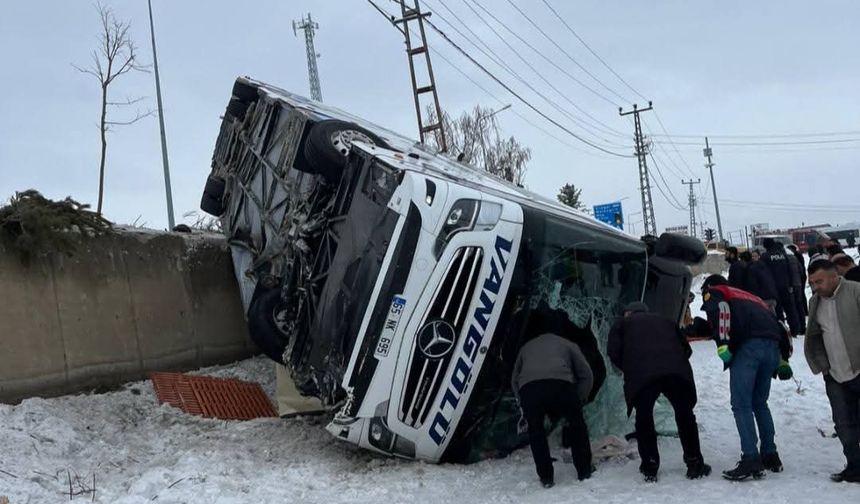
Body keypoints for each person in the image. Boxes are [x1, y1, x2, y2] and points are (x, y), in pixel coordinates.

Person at [608, 302, 711, 482]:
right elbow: (686, 348)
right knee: (684, 413)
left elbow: (613, 351)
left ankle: (650, 466)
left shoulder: (622, 324)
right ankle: (695, 463)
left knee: (644, 418)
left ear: (628, 313)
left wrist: (629, 367)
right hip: (675, 371)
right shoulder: (666, 320)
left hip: (643, 374)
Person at [701, 274, 791, 481]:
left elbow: (721, 313)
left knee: (741, 405)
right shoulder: (752, 297)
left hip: (748, 348)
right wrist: (782, 358)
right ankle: (770, 454)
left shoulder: (717, 292)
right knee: (760, 403)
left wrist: (723, 343)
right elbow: (777, 324)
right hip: (771, 347)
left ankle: (750, 457)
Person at [511, 332, 594, 487]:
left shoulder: (526, 347)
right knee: (577, 426)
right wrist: (579, 399)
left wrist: (522, 401)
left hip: (529, 389)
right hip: (560, 384)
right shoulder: (568, 344)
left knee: (536, 433)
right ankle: (584, 471)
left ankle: (546, 478)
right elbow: (587, 375)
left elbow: (514, 379)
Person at [804, 260, 860, 483]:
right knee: (843, 423)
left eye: (819, 281)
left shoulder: (855, 292)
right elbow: (815, 336)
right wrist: (823, 366)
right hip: (834, 374)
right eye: (812, 283)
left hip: (858, 367)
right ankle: (855, 466)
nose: (816, 286)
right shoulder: (815, 302)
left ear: (834, 276)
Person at [761, 238, 801, 335]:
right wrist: (791, 283)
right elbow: (789, 270)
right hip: (786, 285)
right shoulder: (782, 254)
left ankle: (782, 330)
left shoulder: (765, 256)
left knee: (778, 311)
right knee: (790, 309)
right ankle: (795, 330)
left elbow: (764, 273)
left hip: (774, 287)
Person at [786, 244, 809, 329]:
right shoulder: (796, 257)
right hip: (798, 281)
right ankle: (803, 323)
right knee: (800, 302)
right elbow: (801, 269)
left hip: (792, 284)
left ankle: (798, 325)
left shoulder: (788, 259)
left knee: (794, 304)